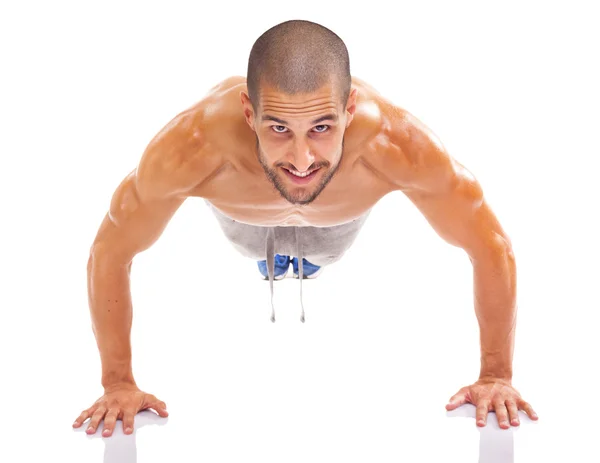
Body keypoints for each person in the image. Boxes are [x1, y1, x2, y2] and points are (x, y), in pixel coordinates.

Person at [72, 19, 538, 438]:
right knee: (263, 240)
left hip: (337, 224)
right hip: (245, 222)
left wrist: (496, 373)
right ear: (248, 113)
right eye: (277, 127)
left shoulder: (397, 146)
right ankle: (274, 258)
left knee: (317, 249)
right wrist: (118, 382)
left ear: (350, 109)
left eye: (320, 126)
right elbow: (109, 252)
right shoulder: (192, 149)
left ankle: (304, 260)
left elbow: (490, 245)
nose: (300, 159)